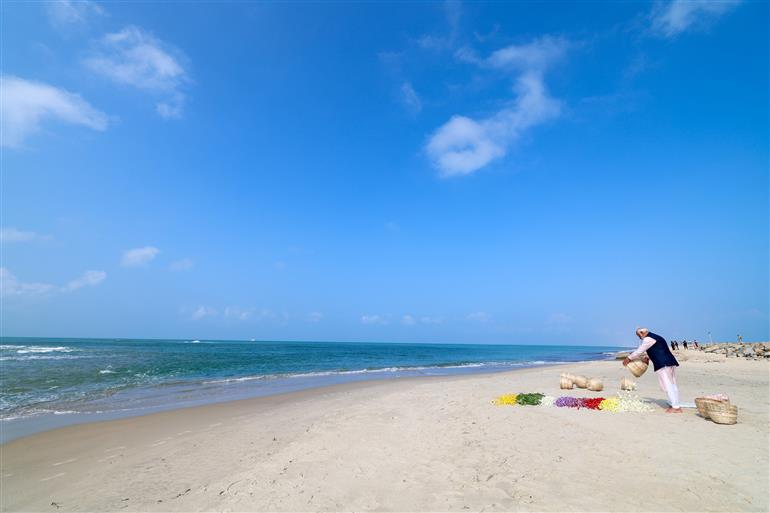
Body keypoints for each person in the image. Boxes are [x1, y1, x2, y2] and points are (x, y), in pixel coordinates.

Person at [623, 327, 681, 413]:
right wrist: (648, 358)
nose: (639, 338)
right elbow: (657, 349)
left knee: (668, 384)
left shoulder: (648, 339)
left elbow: (640, 351)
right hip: (669, 361)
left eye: (639, 336)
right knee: (672, 384)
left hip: (663, 363)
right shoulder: (655, 337)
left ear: (642, 333)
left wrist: (628, 358)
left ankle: (676, 407)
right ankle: (676, 404)